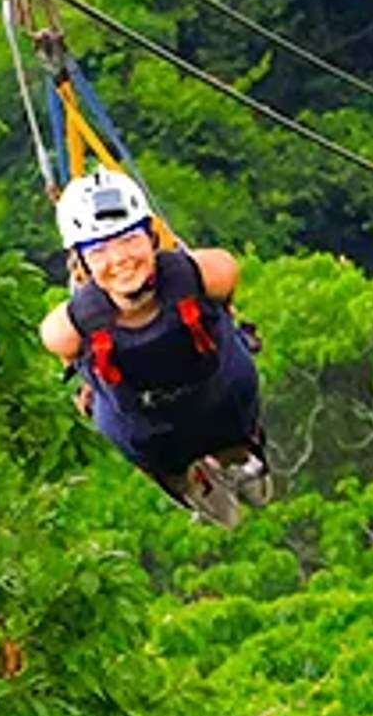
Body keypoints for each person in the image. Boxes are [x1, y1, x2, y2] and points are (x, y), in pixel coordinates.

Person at [38, 170, 270, 517]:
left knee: (229, 408)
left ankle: (236, 454)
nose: (120, 259)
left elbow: (225, 294)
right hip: (145, 429)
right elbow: (73, 358)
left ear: (151, 236)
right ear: (81, 261)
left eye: (129, 239)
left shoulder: (203, 274)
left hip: (221, 396)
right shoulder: (69, 327)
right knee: (150, 442)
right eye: (99, 249)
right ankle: (181, 476)